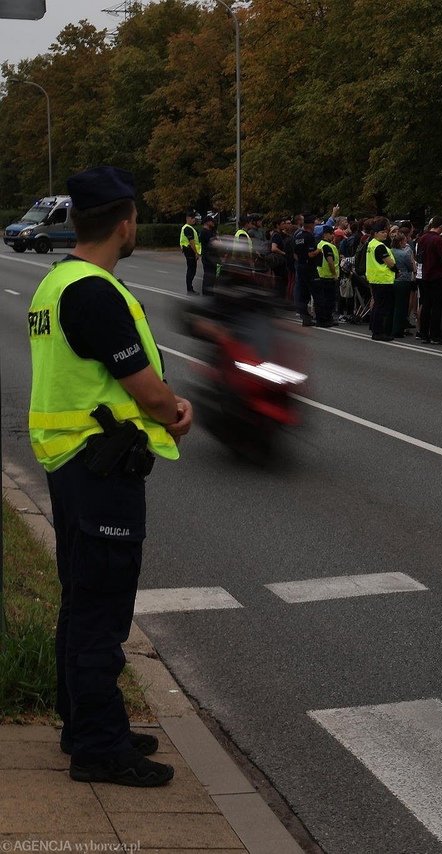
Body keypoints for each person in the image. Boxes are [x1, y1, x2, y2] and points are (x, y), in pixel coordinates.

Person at [28, 166, 193, 788]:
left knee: (81, 600)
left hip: (71, 464)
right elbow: (145, 389)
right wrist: (175, 412)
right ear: (125, 224)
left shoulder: (57, 282)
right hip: (101, 469)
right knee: (101, 610)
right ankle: (99, 748)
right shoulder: (95, 292)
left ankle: (83, 724)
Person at [365, 218, 398, 341]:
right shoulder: (380, 246)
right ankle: (379, 332)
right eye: (382, 232)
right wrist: (396, 270)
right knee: (382, 307)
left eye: (385, 232)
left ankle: (375, 329)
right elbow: (389, 263)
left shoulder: (371, 244)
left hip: (375, 279)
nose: (385, 234)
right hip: (383, 279)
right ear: (375, 233)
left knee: (377, 306)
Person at [416, 217, 442, 343]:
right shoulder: (437, 239)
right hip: (436, 275)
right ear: (440, 227)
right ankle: (435, 334)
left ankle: (424, 333)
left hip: (424, 274)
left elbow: (419, 256)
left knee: (426, 304)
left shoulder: (422, 238)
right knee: (436, 306)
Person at [292, 213, 319, 326]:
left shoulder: (298, 236)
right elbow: (311, 254)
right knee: (316, 293)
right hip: (309, 268)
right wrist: (319, 250)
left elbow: (295, 254)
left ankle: (305, 318)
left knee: (303, 293)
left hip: (300, 266)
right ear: (311, 225)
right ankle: (321, 318)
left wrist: (301, 261)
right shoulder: (309, 237)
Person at [390, 230, 415, 338]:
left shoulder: (390, 251)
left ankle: (390, 327)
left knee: (392, 304)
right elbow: (410, 267)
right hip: (403, 279)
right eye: (404, 241)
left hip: (392, 279)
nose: (406, 243)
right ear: (400, 242)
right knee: (401, 306)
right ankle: (398, 329)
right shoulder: (404, 254)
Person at [313, 224, 340, 328]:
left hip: (320, 275)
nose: (333, 235)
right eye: (331, 234)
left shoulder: (320, 244)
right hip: (327, 276)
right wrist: (334, 274)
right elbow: (330, 262)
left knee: (321, 299)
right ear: (325, 234)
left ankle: (323, 319)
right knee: (328, 300)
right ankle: (325, 319)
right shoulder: (327, 246)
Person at [180, 210, 201, 293]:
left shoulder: (188, 227)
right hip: (190, 251)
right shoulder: (188, 228)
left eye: (194, 218)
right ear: (187, 218)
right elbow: (192, 242)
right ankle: (190, 289)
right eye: (192, 218)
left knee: (191, 269)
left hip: (188, 250)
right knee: (191, 270)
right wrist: (196, 253)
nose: (194, 219)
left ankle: (190, 288)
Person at [199, 216, 219, 294]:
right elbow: (214, 243)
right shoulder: (205, 232)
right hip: (208, 257)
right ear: (207, 222)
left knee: (211, 274)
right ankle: (207, 292)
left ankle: (208, 290)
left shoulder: (209, 232)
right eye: (211, 221)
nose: (213, 223)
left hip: (210, 256)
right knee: (209, 275)